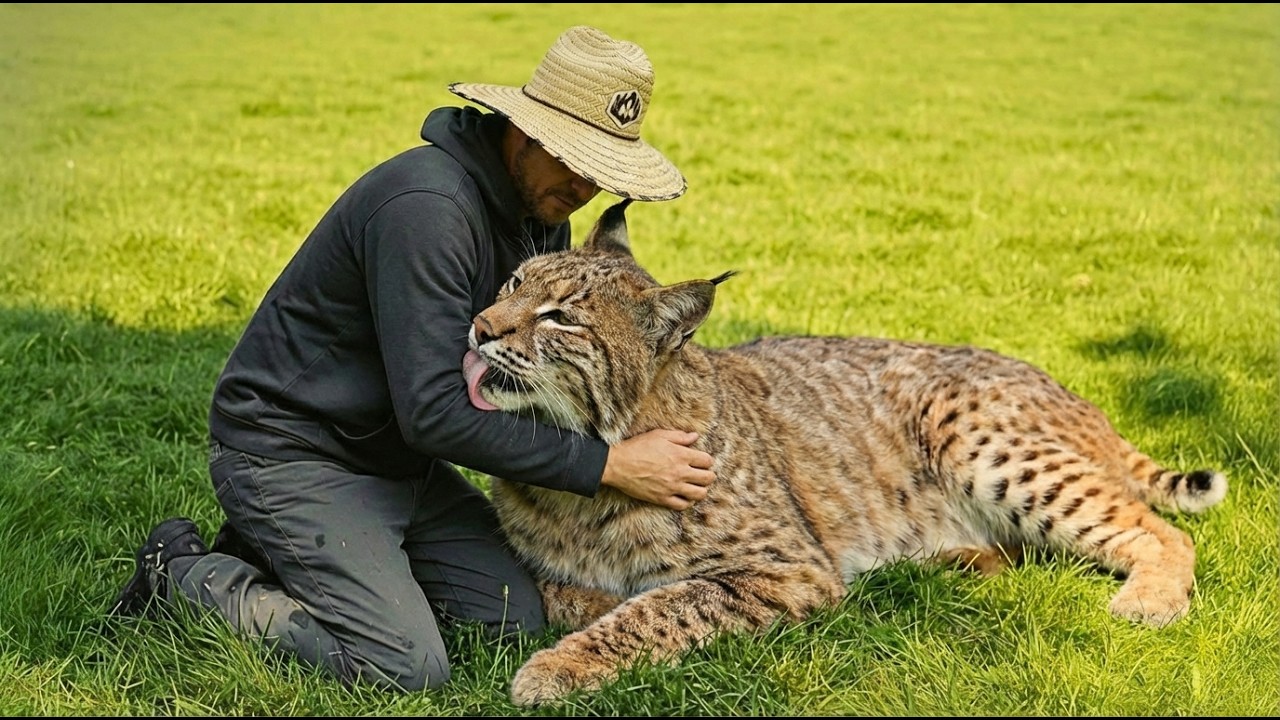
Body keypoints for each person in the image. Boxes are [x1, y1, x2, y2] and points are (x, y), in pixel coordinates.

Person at [109, 25, 715, 693]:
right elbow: (433, 413)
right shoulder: (427, 207)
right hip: (296, 450)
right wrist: (612, 466)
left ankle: (306, 556)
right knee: (403, 667)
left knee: (511, 618)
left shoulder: (540, 207)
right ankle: (186, 575)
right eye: (573, 159)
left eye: (599, 172)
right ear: (525, 128)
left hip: (396, 457)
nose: (582, 186)